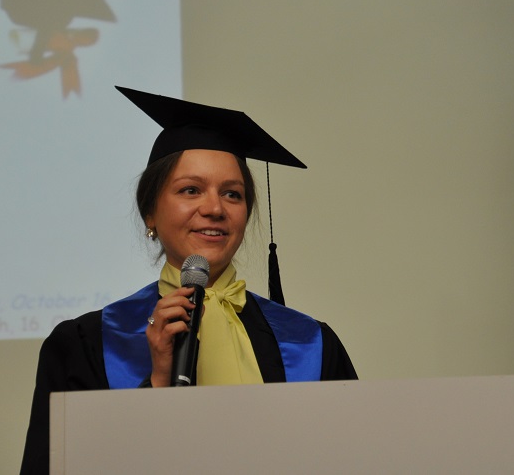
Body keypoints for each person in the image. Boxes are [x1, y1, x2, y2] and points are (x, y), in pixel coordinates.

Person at [20, 86, 356, 474]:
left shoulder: (310, 343)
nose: (214, 208)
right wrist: (157, 384)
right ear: (149, 211)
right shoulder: (85, 345)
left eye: (232, 194)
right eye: (191, 190)